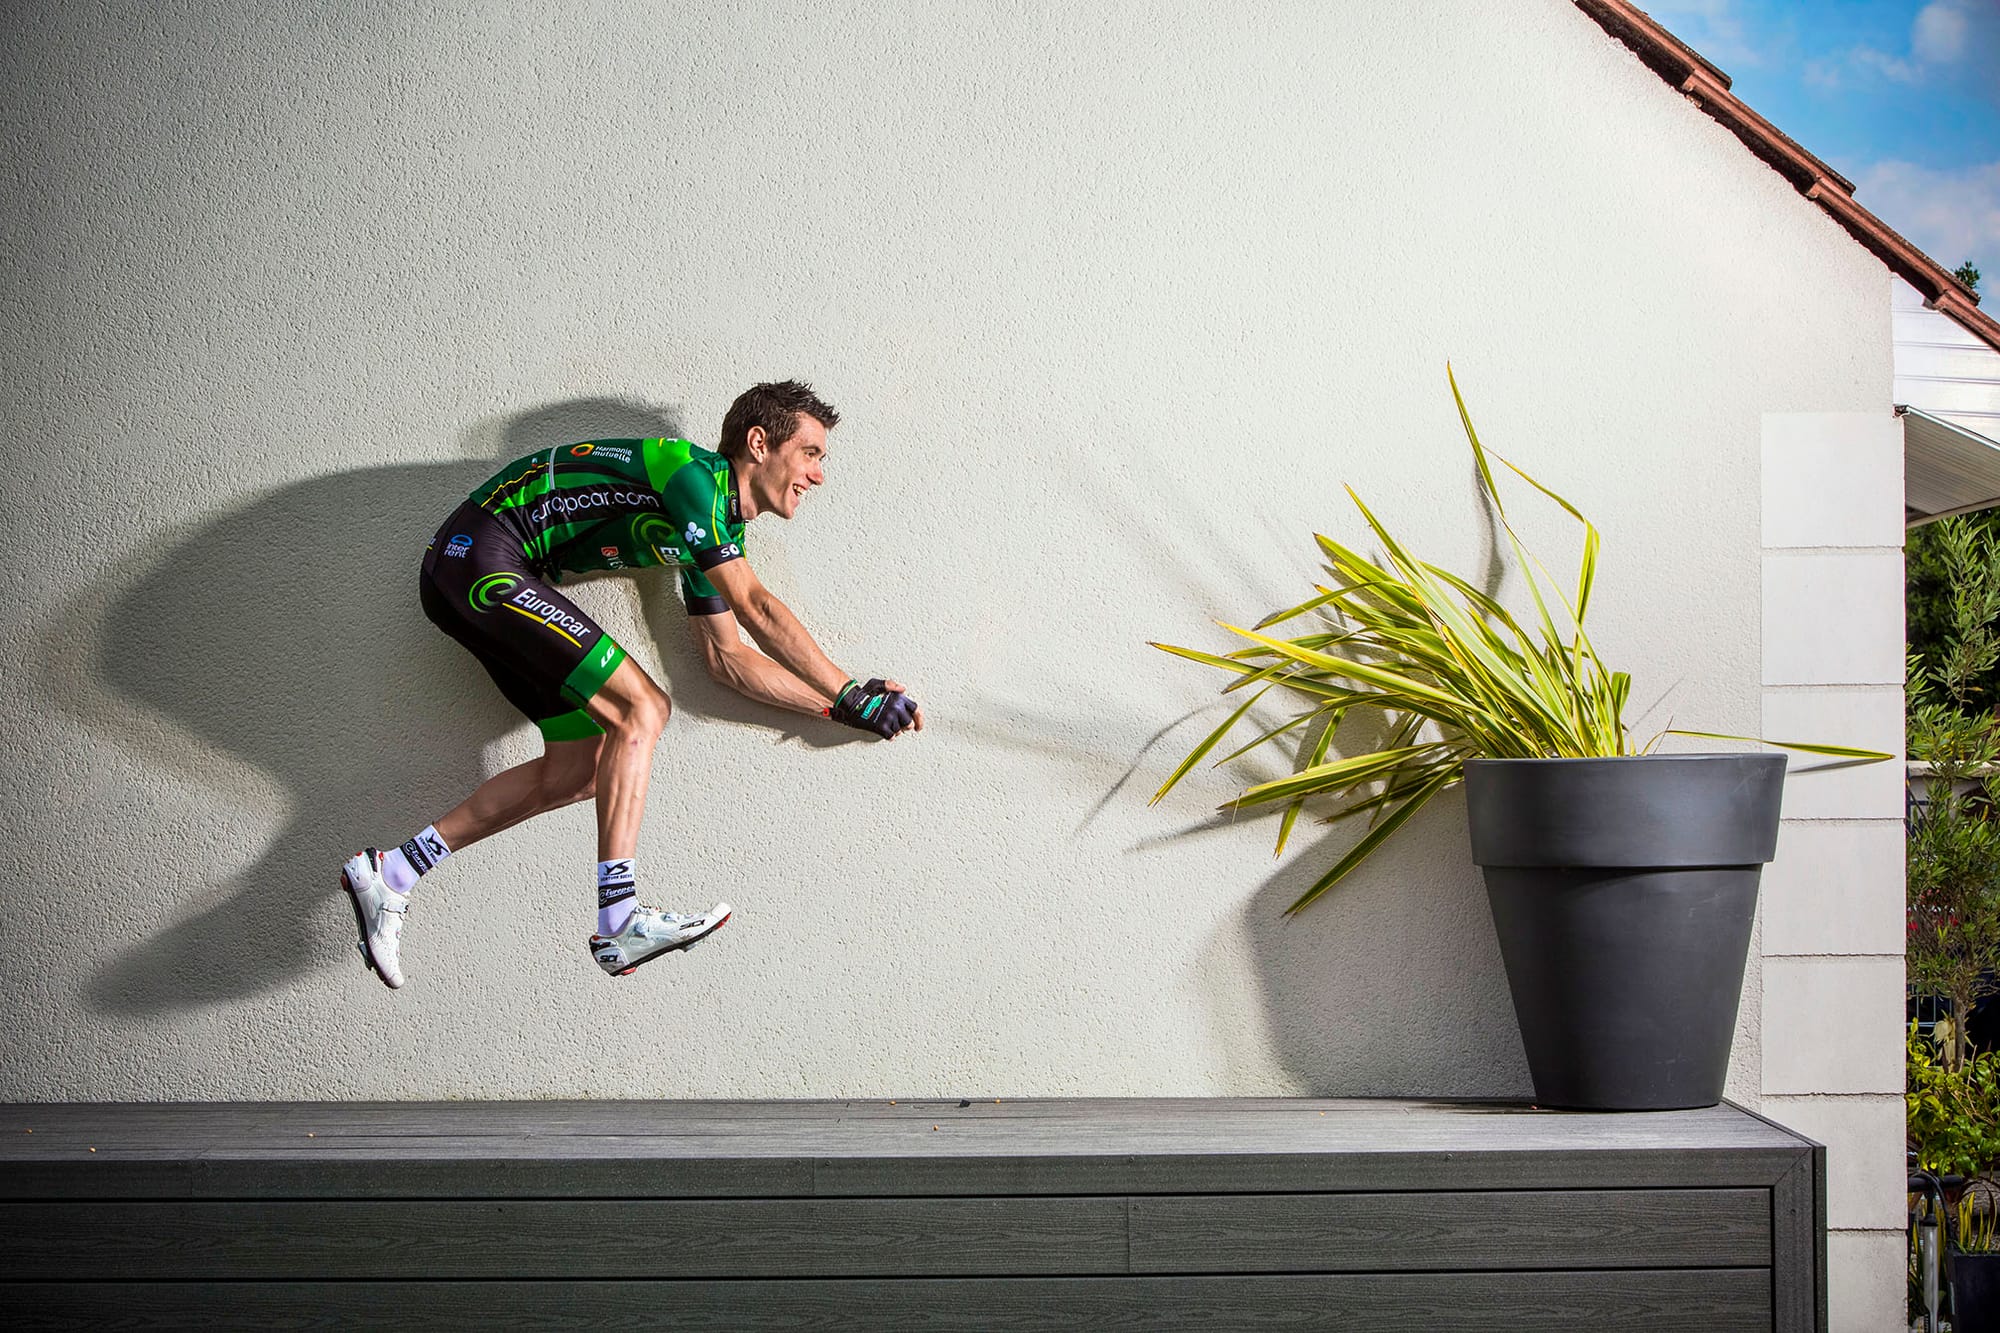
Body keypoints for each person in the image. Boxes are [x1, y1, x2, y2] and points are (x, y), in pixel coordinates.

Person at [340, 381, 922, 988]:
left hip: (474, 580)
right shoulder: (692, 477)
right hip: (481, 559)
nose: (819, 475)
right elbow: (755, 606)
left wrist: (836, 708)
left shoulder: (715, 532)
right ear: (759, 443)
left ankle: (394, 874)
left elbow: (728, 658)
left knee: (581, 768)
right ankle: (617, 921)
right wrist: (851, 688)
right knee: (643, 708)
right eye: (811, 453)